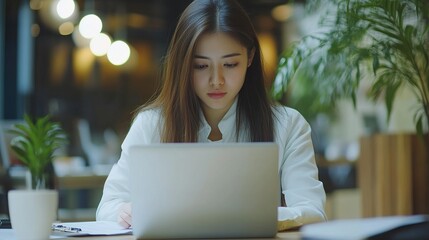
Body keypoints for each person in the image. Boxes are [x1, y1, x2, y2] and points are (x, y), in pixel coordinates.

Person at [96, 0, 327, 230]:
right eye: (201, 66)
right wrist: (125, 212)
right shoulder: (152, 124)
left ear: (250, 58)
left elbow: (313, 211)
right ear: (183, 64)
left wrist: (254, 217)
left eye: (230, 64)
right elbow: (108, 207)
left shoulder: (288, 125)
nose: (217, 80)